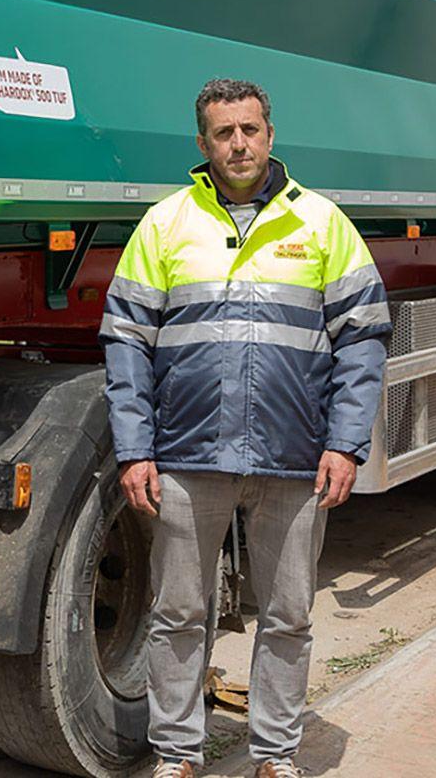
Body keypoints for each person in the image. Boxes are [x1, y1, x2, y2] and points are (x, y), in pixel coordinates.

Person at [99, 78, 390, 778]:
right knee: (176, 616)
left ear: (270, 134)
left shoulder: (321, 223)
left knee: (287, 618)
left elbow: (365, 338)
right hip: (188, 456)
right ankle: (176, 755)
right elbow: (125, 342)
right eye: (224, 133)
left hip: (293, 461)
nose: (239, 143)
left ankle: (275, 756)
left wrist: (346, 444)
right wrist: (135, 450)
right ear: (203, 144)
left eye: (251, 130)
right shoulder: (166, 224)